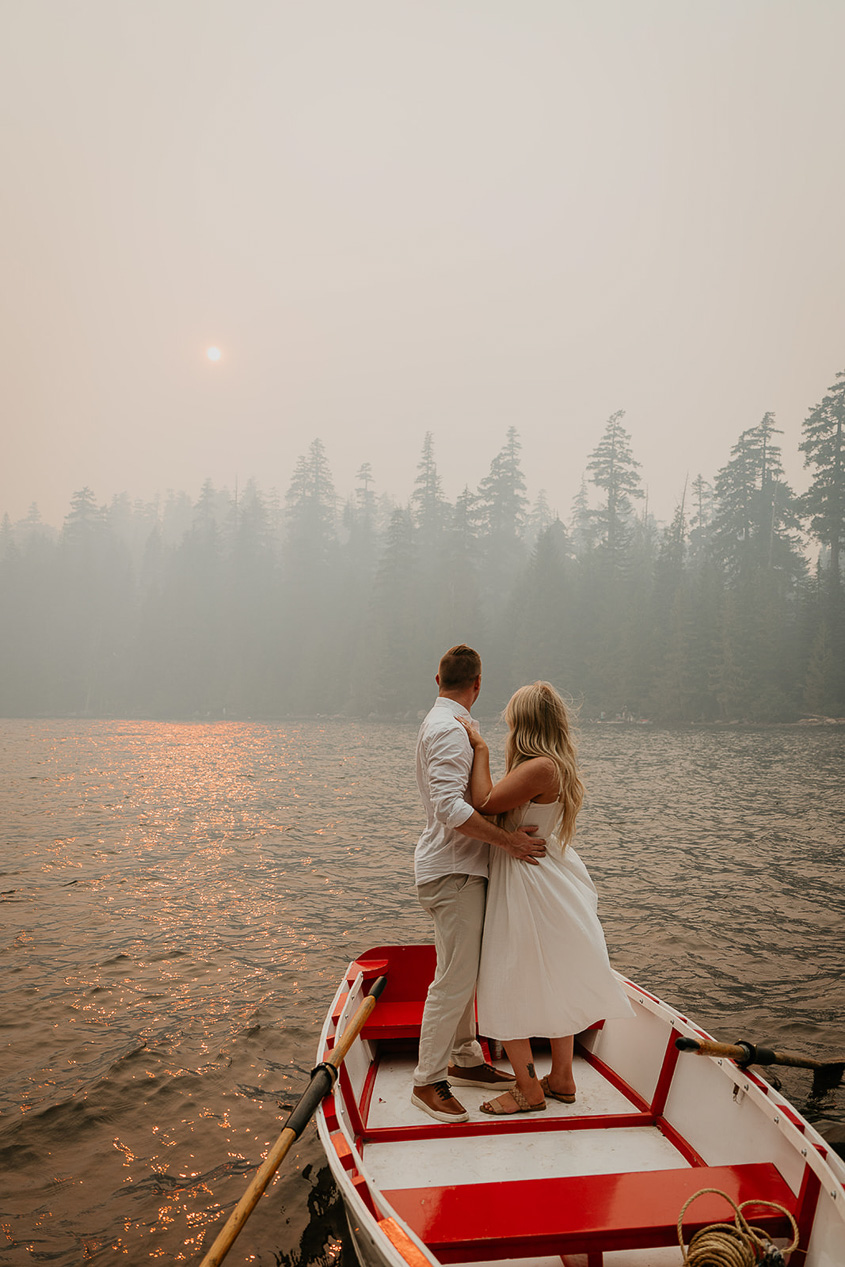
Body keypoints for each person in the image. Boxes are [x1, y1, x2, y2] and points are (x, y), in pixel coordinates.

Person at [458, 681, 634, 1115]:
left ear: (525, 724)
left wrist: (478, 749)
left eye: (511, 721)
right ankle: (561, 1078)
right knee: (552, 978)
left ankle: (528, 1088)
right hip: (545, 872)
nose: (507, 728)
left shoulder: (539, 767)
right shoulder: (554, 764)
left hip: (525, 878)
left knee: (506, 976)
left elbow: (483, 801)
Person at [411, 645, 548, 1124]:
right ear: (478, 683)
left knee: (460, 971)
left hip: (452, 869)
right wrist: (508, 841)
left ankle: (466, 1059)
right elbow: (451, 809)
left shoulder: (442, 724)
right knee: (454, 979)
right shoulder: (450, 730)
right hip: (454, 871)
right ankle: (427, 1081)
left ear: (437, 679)